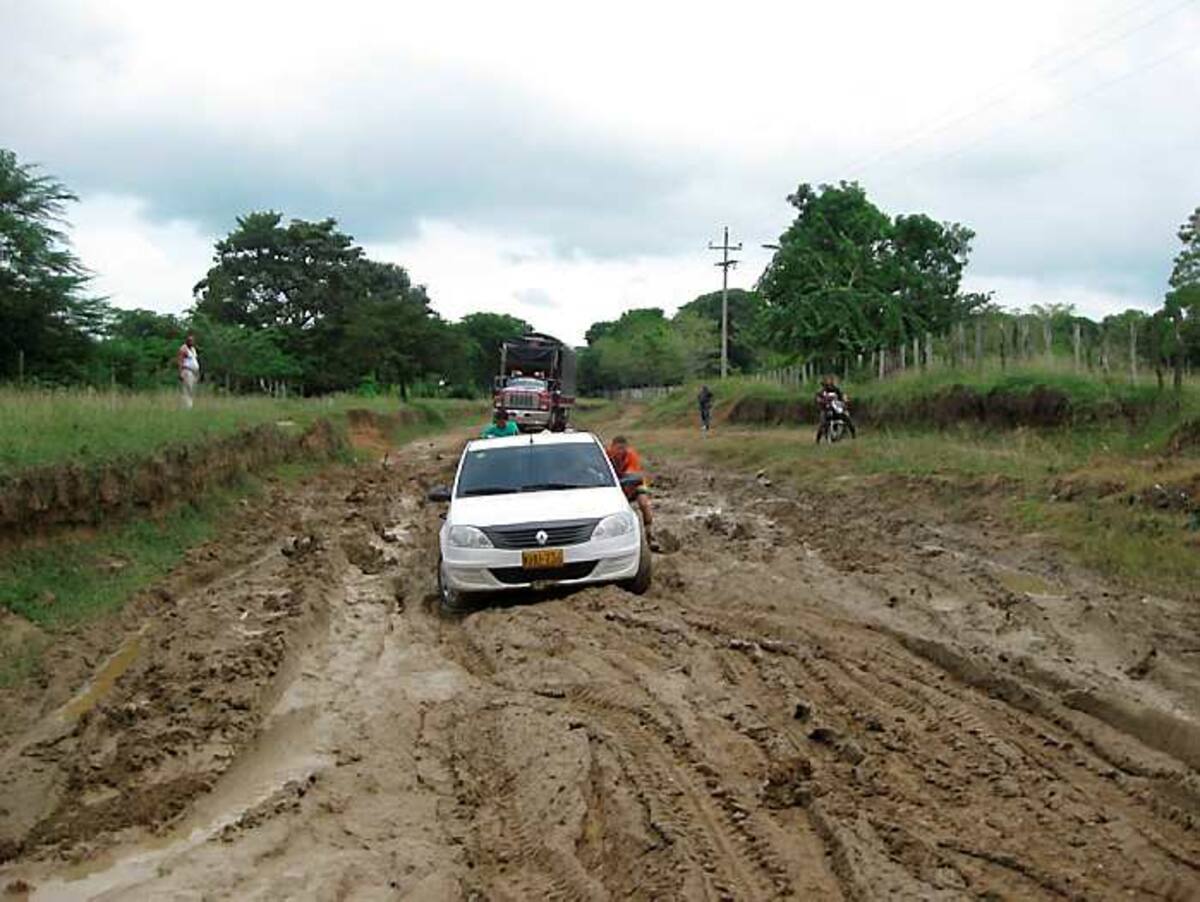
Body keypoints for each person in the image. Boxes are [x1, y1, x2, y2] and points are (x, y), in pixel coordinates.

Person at [606, 435, 655, 547]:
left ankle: (649, 532)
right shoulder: (606, 455)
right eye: (618, 449)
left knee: (644, 503)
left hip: (632, 484)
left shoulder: (631, 455)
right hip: (614, 486)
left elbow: (631, 475)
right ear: (612, 447)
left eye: (623, 449)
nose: (620, 452)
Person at [815, 375, 856, 443]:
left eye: (831, 382)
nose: (829, 384)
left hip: (836, 409)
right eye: (828, 382)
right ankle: (818, 439)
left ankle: (853, 434)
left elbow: (842, 396)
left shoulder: (837, 390)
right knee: (823, 423)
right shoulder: (822, 391)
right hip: (826, 409)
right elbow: (818, 398)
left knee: (847, 418)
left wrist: (845, 400)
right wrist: (820, 400)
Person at [177, 332, 200, 409]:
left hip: (194, 372)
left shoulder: (193, 349)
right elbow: (180, 361)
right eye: (190, 340)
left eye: (192, 340)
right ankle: (186, 406)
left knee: (192, 389)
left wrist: (197, 372)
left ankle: (190, 405)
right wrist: (180, 372)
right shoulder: (183, 349)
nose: (191, 342)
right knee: (187, 389)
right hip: (187, 371)